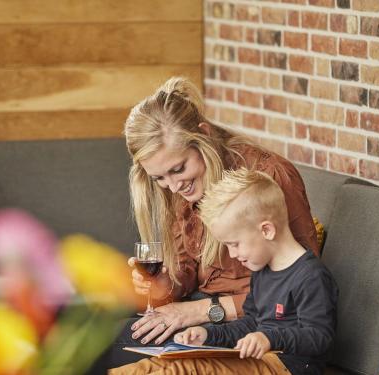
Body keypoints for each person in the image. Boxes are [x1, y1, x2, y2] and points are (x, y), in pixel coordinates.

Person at [91, 77, 319, 372]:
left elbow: (298, 292)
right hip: (201, 318)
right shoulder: (180, 189)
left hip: (252, 329)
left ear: (204, 136)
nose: (173, 187)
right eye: (159, 178)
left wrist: (199, 311)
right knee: (90, 341)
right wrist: (161, 286)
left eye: (178, 169)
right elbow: (185, 269)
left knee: (103, 354)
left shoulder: (268, 175)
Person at [109, 168, 338, 375]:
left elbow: (320, 337)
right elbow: (251, 322)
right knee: (157, 365)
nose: (232, 254)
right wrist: (208, 334)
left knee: (181, 371)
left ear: (266, 230)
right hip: (253, 359)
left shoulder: (310, 276)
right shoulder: (263, 272)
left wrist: (269, 337)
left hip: (287, 366)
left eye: (235, 244)